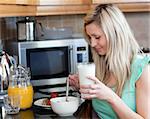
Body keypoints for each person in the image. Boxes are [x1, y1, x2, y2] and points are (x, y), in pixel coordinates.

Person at [69, 4, 150, 119]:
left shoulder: (142, 69)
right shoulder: (102, 64)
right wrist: (84, 88)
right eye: (90, 38)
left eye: (97, 37)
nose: (92, 44)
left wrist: (111, 97)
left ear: (115, 34)